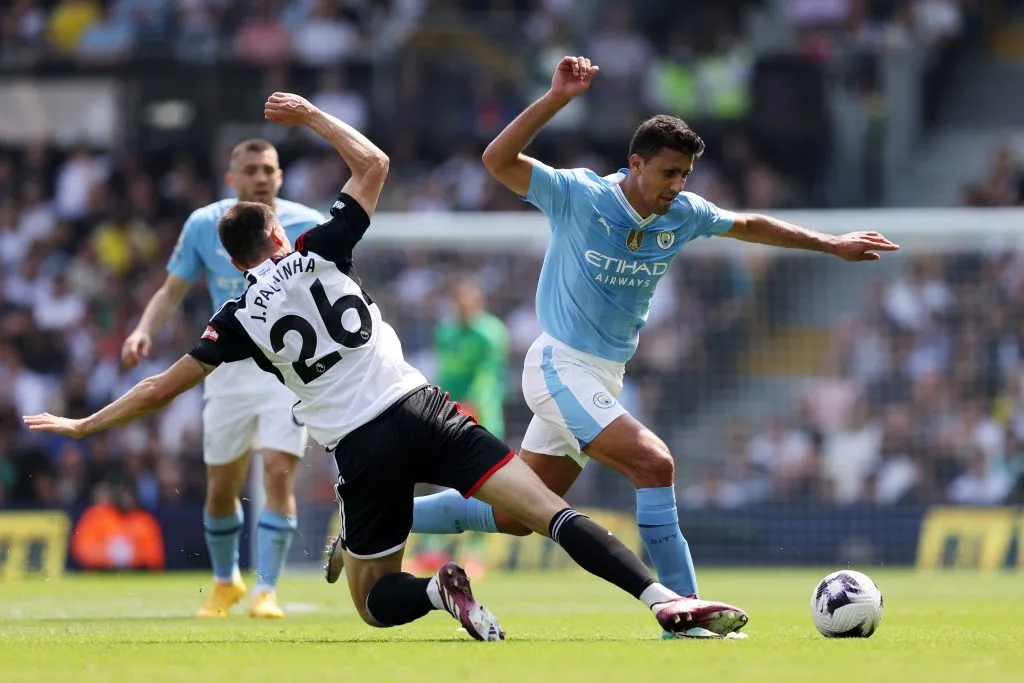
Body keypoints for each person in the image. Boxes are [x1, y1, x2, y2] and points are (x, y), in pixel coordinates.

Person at [25, 92, 747, 641]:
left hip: (362, 446)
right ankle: (666, 601)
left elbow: (159, 388)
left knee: (374, 602)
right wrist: (311, 116)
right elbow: (374, 163)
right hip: (426, 409)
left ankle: (439, 592)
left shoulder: (236, 317)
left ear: (231, 261)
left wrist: (87, 424)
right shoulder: (322, 246)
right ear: (279, 231)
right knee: (552, 513)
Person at [407, 56, 900, 638]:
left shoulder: (683, 214)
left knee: (515, 515)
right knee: (655, 462)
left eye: (685, 174)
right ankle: (682, 612)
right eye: (668, 173)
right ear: (635, 163)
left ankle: (380, 509)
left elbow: (747, 225)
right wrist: (556, 98)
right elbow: (497, 161)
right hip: (558, 363)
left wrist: (832, 243)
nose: (678, 186)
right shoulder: (579, 196)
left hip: (604, 373)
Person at [121, 136, 323, 619]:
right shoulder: (202, 226)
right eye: (250, 168)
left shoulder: (308, 225)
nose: (260, 177)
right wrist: (143, 329)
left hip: (284, 372)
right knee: (221, 487)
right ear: (231, 178)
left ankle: (266, 590)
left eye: (268, 169)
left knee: (278, 471)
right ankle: (225, 581)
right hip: (225, 369)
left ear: (280, 176)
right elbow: (172, 290)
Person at [408, 280, 510, 576]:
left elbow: (489, 377)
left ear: (478, 303)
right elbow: (445, 372)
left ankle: (474, 554)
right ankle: (430, 550)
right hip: (450, 413)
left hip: (482, 415)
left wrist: (475, 405)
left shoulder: (490, 333)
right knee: (432, 479)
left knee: (484, 487)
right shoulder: (445, 330)